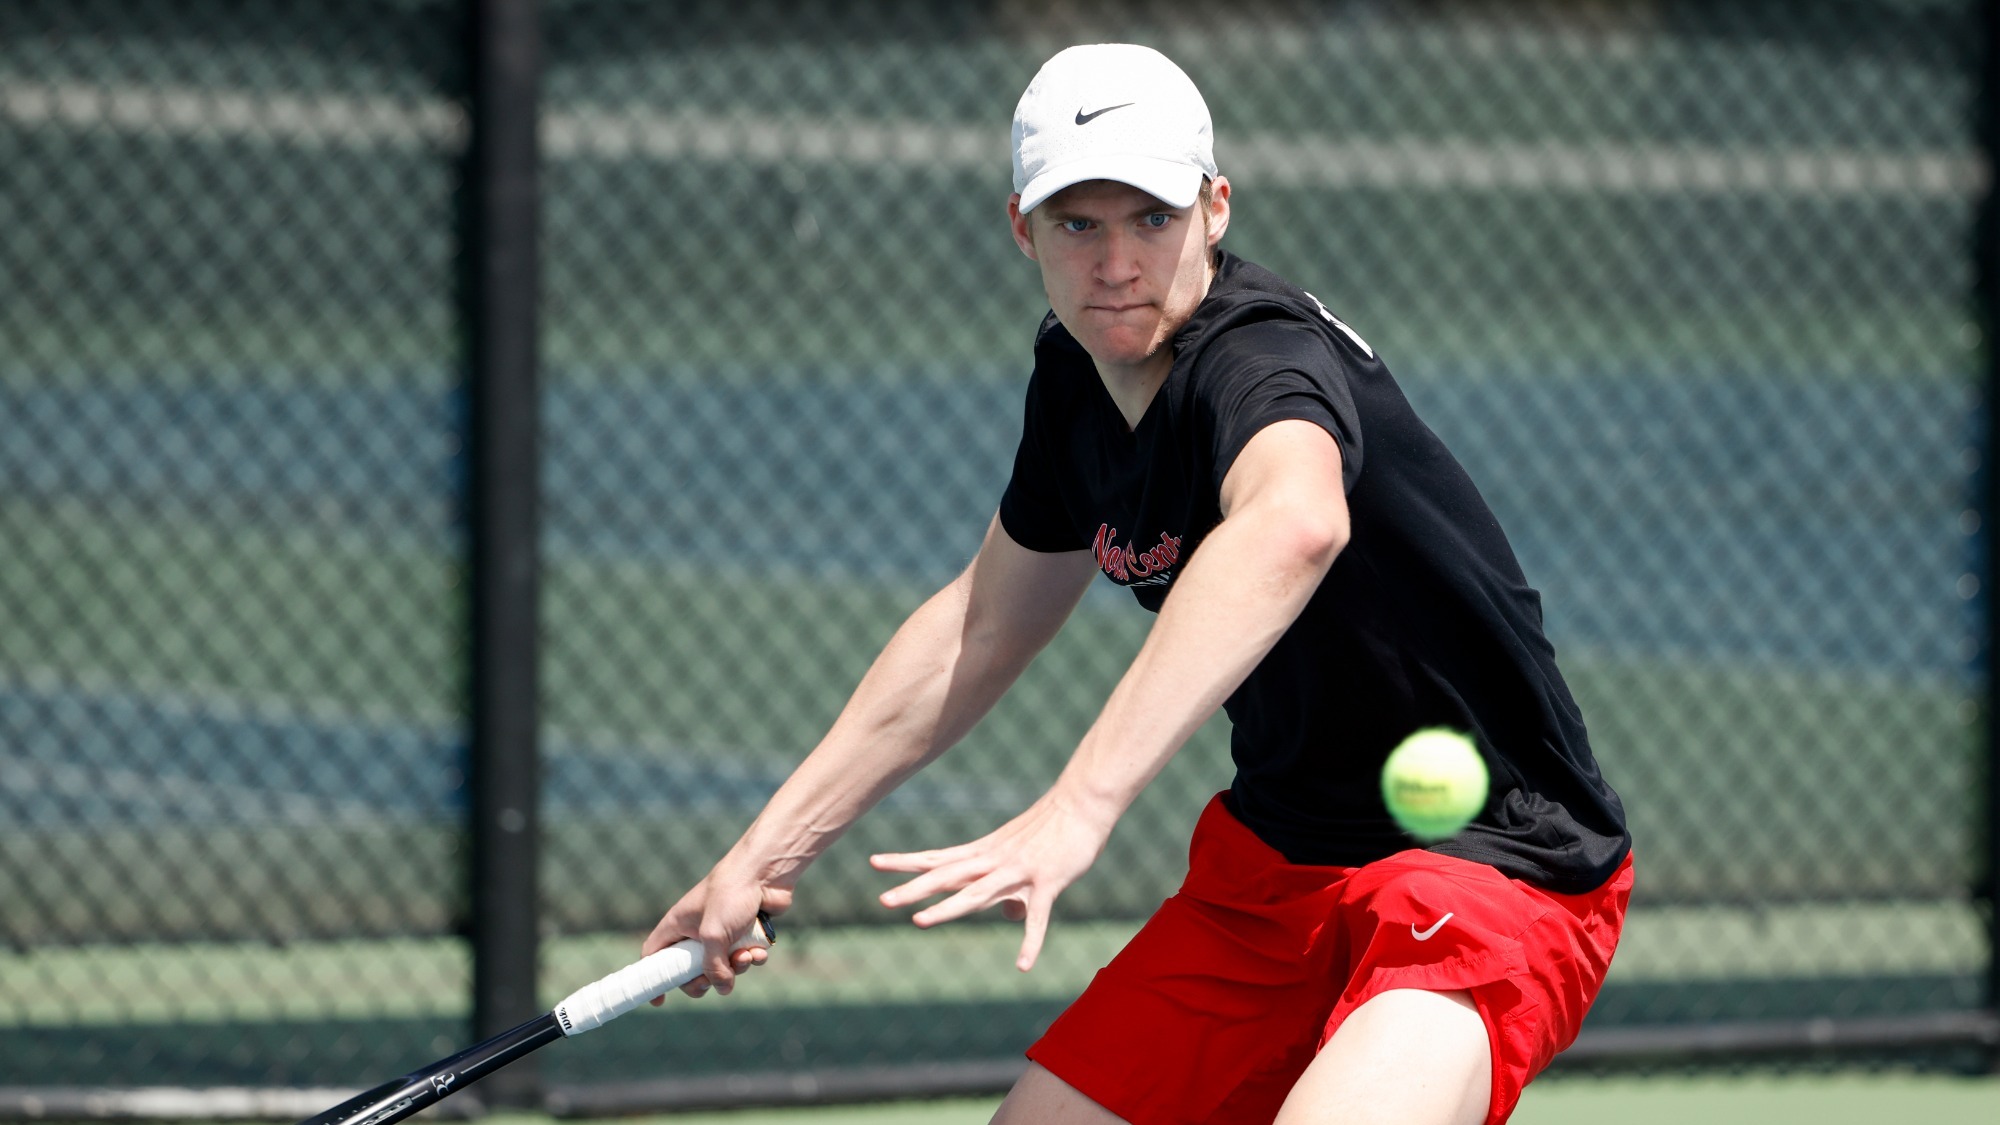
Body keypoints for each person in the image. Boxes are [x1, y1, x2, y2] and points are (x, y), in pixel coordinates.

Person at [645, 43, 1633, 1125]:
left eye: (1151, 219)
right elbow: (981, 623)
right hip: (1278, 866)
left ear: (1214, 209)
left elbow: (1295, 521)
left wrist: (1080, 805)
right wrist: (760, 855)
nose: (1115, 262)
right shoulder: (1074, 382)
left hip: (1495, 865)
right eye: (1078, 225)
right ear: (1021, 227)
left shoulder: (1259, 362)